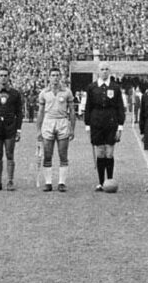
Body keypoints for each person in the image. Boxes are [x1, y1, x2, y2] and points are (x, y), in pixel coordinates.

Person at [82, 63, 126, 191]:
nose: (104, 71)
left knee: (110, 153)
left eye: (107, 69)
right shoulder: (92, 87)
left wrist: (120, 127)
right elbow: (88, 107)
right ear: (98, 72)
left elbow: (120, 108)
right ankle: (101, 182)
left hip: (111, 122)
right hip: (96, 123)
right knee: (100, 152)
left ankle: (110, 180)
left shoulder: (115, 87)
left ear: (110, 72)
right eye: (102, 69)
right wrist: (88, 126)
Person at [36, 67, 76, 192]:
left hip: (62, 122)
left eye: (57, 75)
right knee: (47, 154)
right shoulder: (44, 93)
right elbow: (40, 112)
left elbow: (72, 111)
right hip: (48, 122)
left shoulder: (67, 92)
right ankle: (48, 182)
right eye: (53, 75)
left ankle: (61, 182)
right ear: (49, 77)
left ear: (60, 77)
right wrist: (38, 130)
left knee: (63, 154)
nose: (55, 77)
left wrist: (72, 128)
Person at [0, 66, 24, 191]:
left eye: (5, 75)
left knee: (9, 153)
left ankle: (10, 181)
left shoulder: (15, 93)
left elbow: (19, 113)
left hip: (10, 127)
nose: (3, 77)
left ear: (9, 77)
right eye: (1, 75)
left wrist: (18, 130)